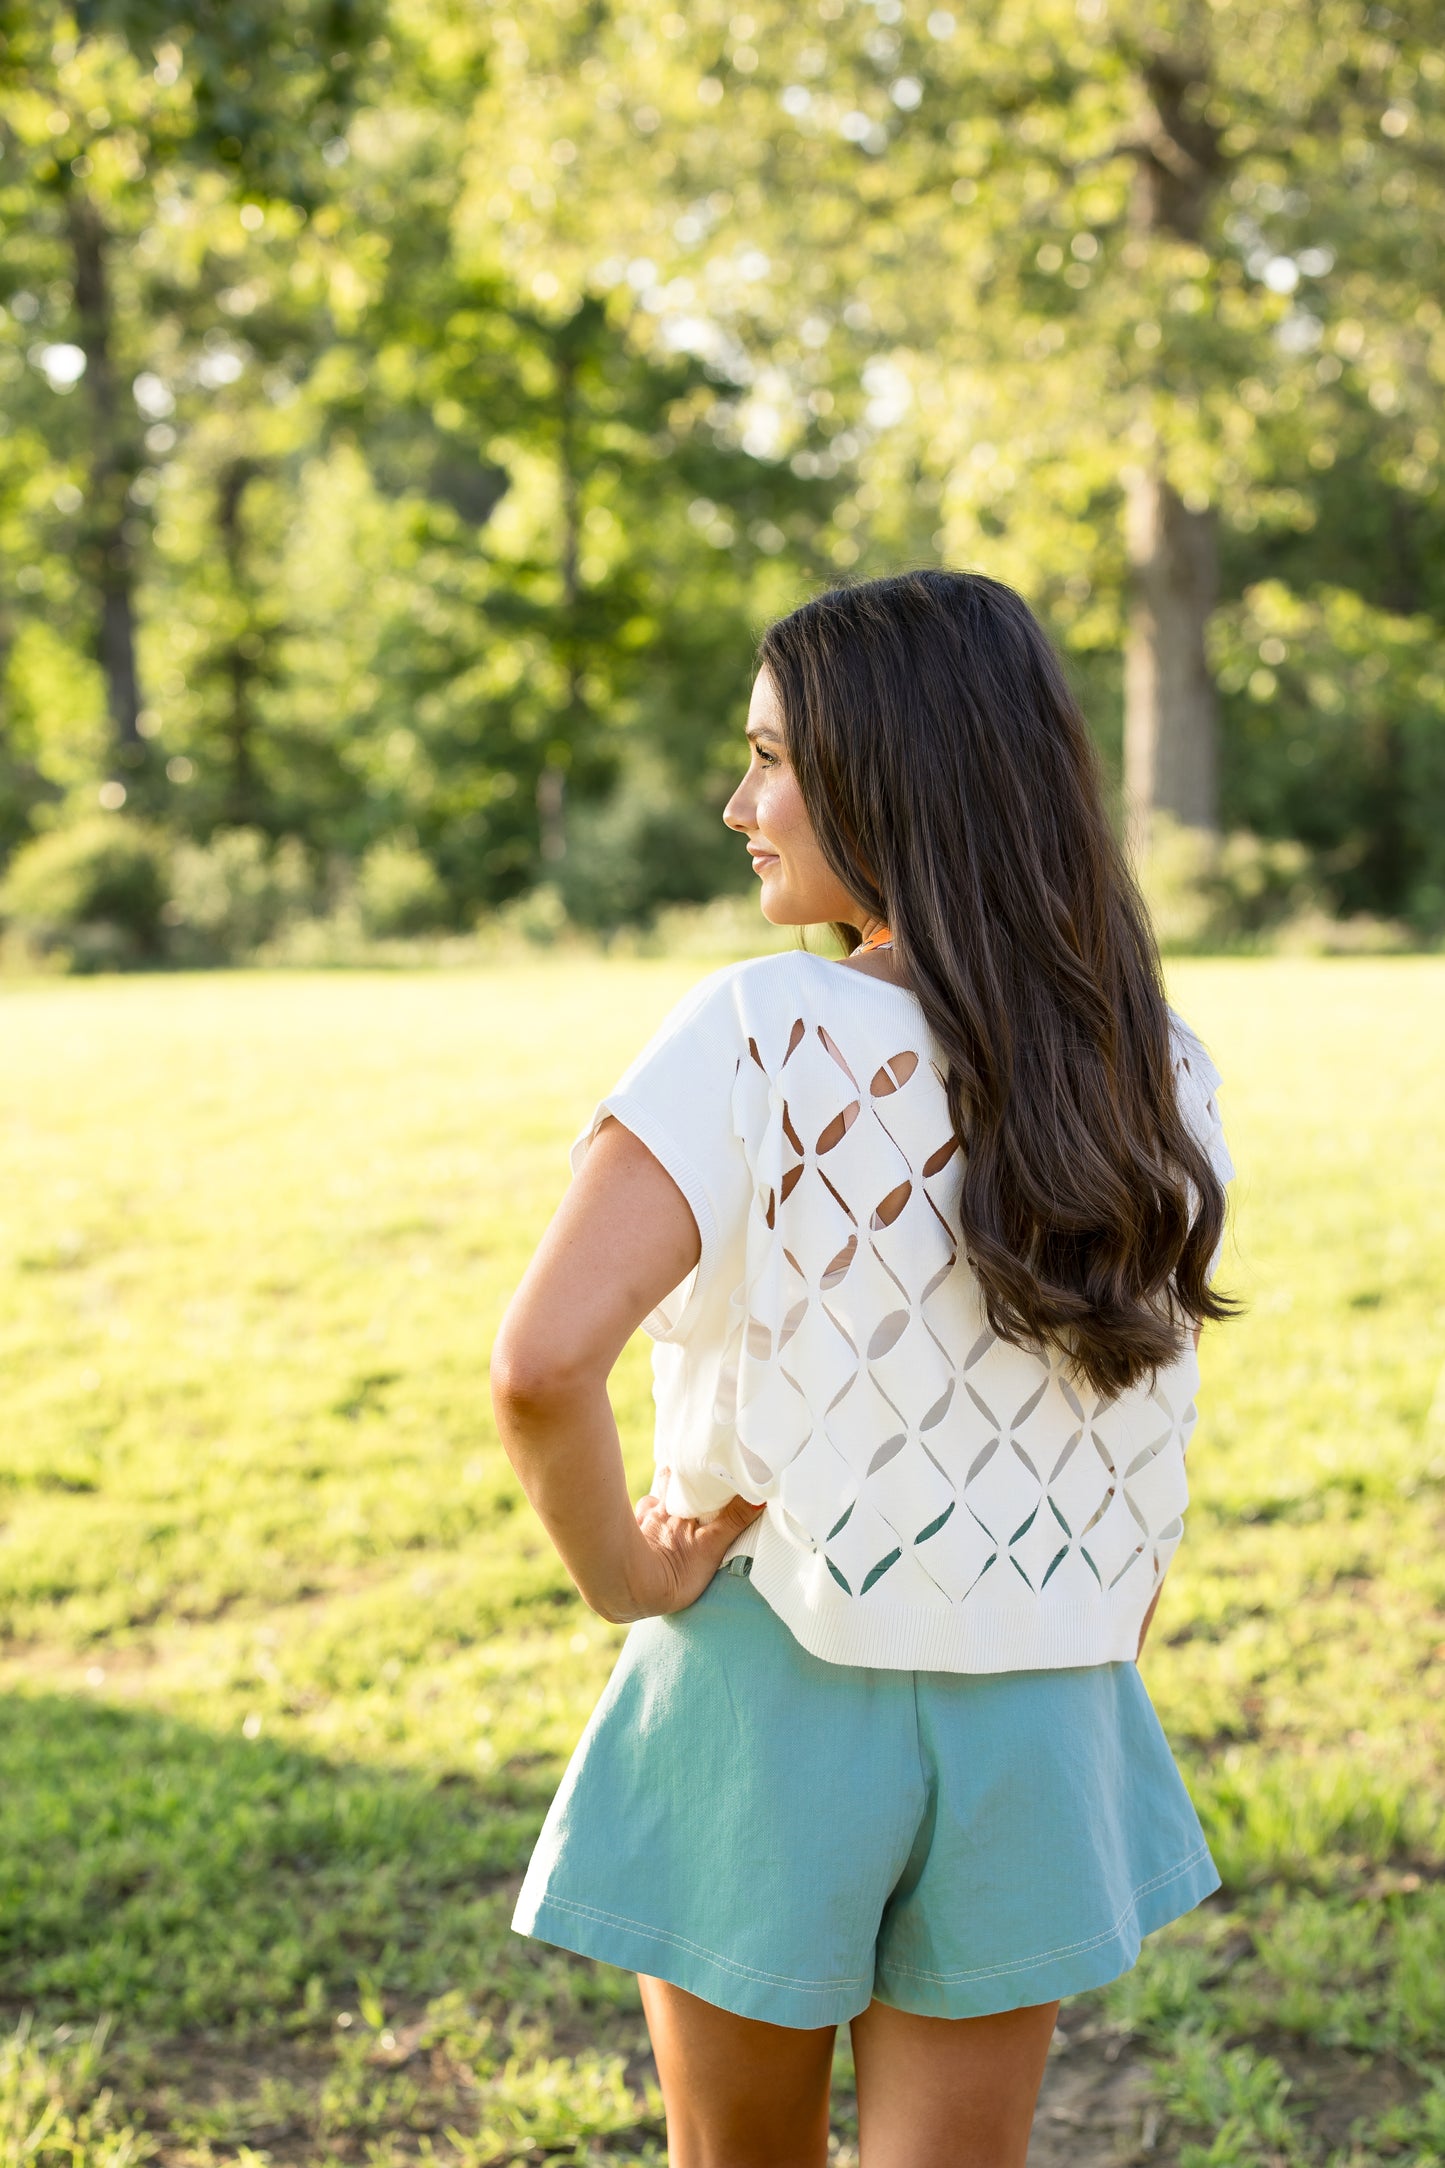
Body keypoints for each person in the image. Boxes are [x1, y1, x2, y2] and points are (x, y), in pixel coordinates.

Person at [490, 568, 1236, 2168]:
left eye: (770, 760)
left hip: (772, 1675)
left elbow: (542, 1365)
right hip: (1045, 1691)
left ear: (889, 774)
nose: (737, 804)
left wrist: (625, 1574)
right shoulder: (1154, 1069)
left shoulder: (757, 1030)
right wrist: (1079, 1640)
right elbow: (1140, 1409)